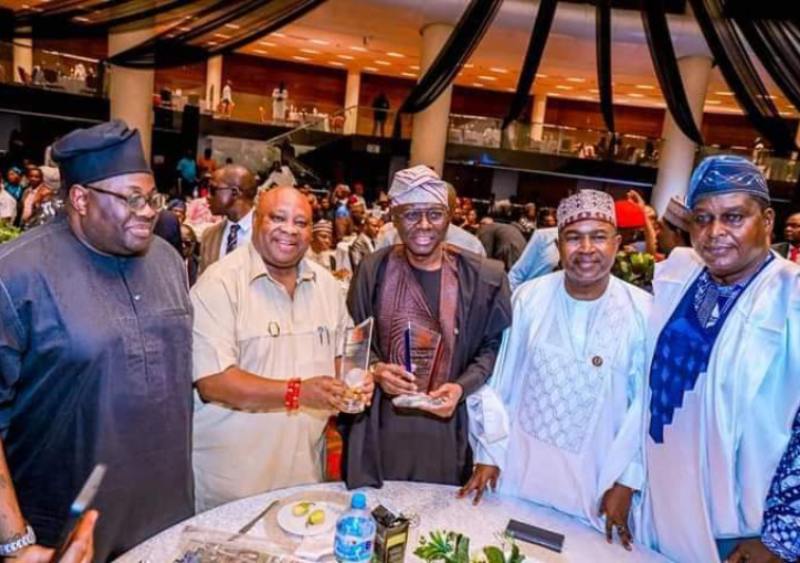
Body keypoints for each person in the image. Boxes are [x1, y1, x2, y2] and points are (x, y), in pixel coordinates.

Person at [0, 120, 194, 560]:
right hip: (65, 533)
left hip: (165, 516)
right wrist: (15, 543)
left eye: (152, 197)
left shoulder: (166, 260)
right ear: (81, 199)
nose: (148, 211)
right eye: (131, 198)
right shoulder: (15, 275)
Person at [462, 190, 651, 551]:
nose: (586, 249)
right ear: (558, 244)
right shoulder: (529, 298)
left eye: (598, 236)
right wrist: (487, 455)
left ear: (618, 243)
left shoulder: (642, 312)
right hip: (520, 471)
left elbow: (643, 408)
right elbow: (500, 383)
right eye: (573, 237)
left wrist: (627, 482)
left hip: (593, 483)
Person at [642, 155, 800, 563]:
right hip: (661, 503)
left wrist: (782, 536)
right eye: (702, 218)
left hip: (740, 529)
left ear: (767, 220)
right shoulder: (680, 277)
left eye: (733, 217)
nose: (715, 233)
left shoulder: (791, 298)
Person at [190, 186, 371, 511]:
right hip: (234, 484)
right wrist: (297, 393)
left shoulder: (325, 284)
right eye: (278, 218)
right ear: (257, 220)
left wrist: (357, 379)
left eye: (301, 222)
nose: (289, 229)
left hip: (303, 477)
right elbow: (213, 381)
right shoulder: (220, 285)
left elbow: (341, 354)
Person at [340, 165, 512, 488]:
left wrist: (461, 386)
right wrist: (376, 369)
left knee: (437, 526)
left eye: (434, 214)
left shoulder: (481, 278)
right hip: (381, 424)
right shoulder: (373, 270)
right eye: (411, 214)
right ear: (394, 217)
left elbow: (492, 350)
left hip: (448, 429)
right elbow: (354, 341)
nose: (423, 225)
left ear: (449, 217)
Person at [375, 182, 486, 256]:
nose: (425, 224)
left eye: (435, 213)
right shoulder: (392, 236)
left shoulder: (471, 245)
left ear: (451, 212)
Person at [199, 164, 257, 275]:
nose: (207, 196)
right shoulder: (209, 236)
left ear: (234, 192)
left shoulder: (267, 234)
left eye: (213, 190)